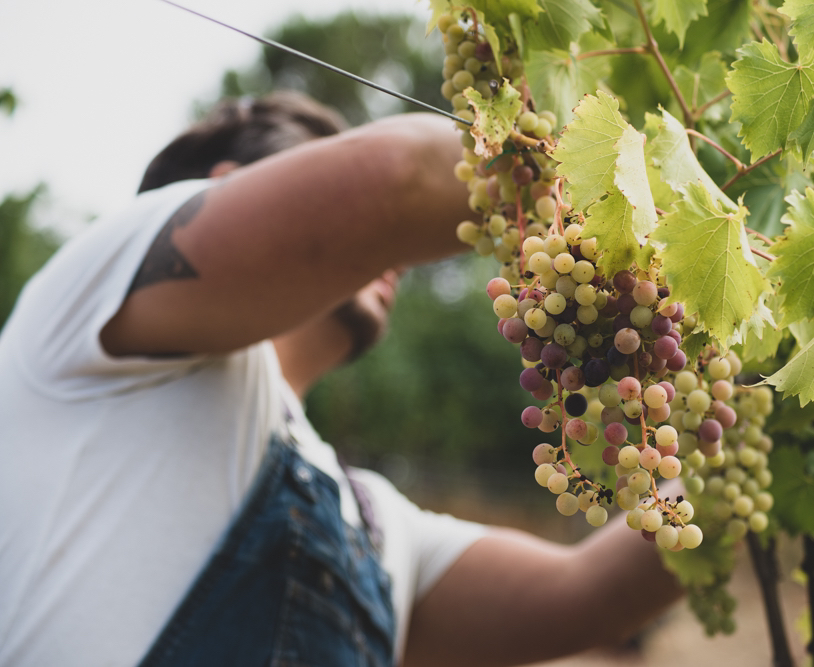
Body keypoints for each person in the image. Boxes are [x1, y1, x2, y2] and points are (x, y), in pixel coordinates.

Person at [0, 91, 683, 667]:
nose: (393, 258)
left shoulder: (375, 520)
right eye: (317, 161)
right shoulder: (93, 291)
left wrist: (755, 424)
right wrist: (622, 174)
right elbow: (393, 178)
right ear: (223, 186)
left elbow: (591, 593)